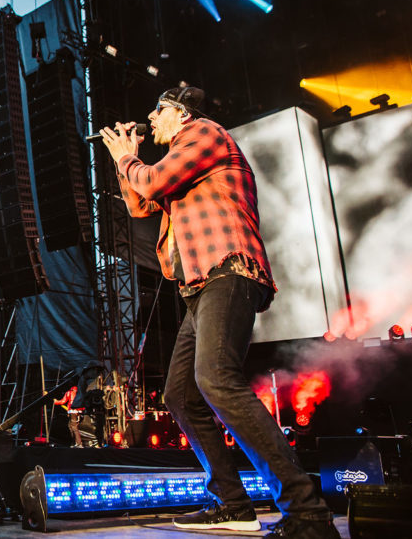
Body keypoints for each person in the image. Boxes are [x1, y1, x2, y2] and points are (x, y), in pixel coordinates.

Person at [99, 86, 338, 539]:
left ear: (179, 112)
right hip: (201, 285)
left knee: (215, 377)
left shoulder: (204, 134)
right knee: (181, 395)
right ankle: (232, 503)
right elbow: (139, 204)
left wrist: (131, 160)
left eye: (157, 111)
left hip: (229, 270)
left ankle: (308, 513)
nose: (150, 120)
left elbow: (148, 182)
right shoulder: (178, 161)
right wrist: (123, 159)